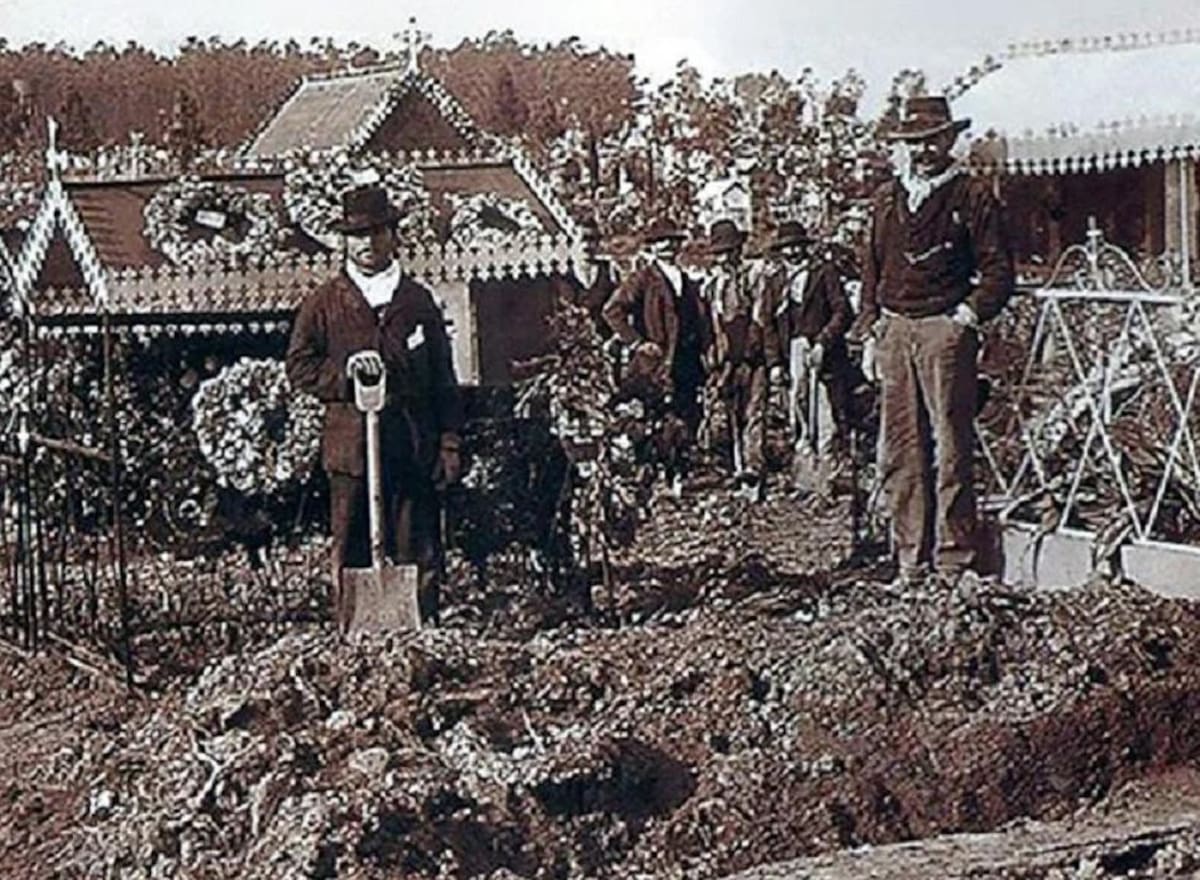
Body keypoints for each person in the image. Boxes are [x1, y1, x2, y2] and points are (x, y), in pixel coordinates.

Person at [853, 95, 1014, 590]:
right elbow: (871, 270)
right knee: (900, 449)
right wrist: (870, 332)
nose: (923, 150)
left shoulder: (971, 197)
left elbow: (998, 271)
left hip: (944, 332)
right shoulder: (887, 198)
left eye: (931, 140)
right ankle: (909, 562)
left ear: (949, 140)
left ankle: (953, 562)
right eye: (913, 143)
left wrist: (964, 317)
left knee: (950, 447)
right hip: (895, 330)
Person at [286, 185, 463, 625]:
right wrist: (344, 374)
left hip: (411, 446)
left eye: (376, 232)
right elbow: (300, 367)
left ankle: (419, 630)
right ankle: (355, 631)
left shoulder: (416, 301)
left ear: (393, 236)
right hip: (351, 452)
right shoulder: (326, 303)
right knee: (351, 546)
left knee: (416, 545)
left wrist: (448, 442)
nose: (367, 243)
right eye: (357, 235)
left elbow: (443, 376)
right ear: (345, 241)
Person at [602, 215, 710, 495]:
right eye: (660, 242)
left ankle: (679, 473)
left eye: (672, 242)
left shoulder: (685, 278)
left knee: (686, 414)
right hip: (656, 361)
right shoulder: (643, 278)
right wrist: (637, 342)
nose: (667, 247)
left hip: (686, 358)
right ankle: (652, 477)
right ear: (652, 247)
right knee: (654, 418)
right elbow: (612, 311)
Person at [760, 220, 854, 497]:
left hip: (821, 350)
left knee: (824, 414)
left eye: (797, 247)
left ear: (805, 247)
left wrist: (824, 342)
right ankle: (804, 478)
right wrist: (775, 363)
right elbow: (768, 325)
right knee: (797, 411)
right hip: (793, 351)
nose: (792, 253)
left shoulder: (824, 273)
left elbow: (841, 311)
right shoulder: (776, 281)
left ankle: (825, 480)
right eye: (787, 248)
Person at [704, 218, 770, 499]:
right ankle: (738, 466)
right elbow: (715, 322)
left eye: (729, 250)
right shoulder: (714, 284)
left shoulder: (755, 276)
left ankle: (754, 468)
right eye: (720, 252)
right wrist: (720, 358)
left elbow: (760, 316)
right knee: (732, 412)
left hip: (752, 354)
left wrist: (749, 354)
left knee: (754, 410)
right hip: (727, 354)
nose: (725, 257)